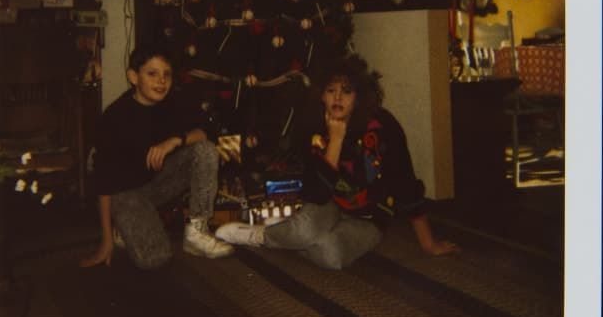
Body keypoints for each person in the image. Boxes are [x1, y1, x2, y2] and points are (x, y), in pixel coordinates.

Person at [215, 54, 459, 270]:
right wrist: (336, 140)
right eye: (331, 90)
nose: (338, 98)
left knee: (330, 256)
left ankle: (292, 235)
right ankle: (261, 235)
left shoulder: (383, 126)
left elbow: (405, 180)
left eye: (347, 91)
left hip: (369, 219)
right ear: (321, 94)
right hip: (328, 204)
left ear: (359, 96)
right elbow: (317, 193)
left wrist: (429, 244)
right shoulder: (313, 126)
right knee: (304, 231)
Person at [80, 43, 233, 268]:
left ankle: (196, 231)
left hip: (157, 182)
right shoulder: (115, 117)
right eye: (152, 74)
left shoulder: (174, 102)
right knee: (155, 258)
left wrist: (175, 141)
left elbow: (205, 132)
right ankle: (121, 227)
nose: (161, 81)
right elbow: (103, 184)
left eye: (167, 75)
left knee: (205, 150)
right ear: (133, 77)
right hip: (124, 193)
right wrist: (106, 241)